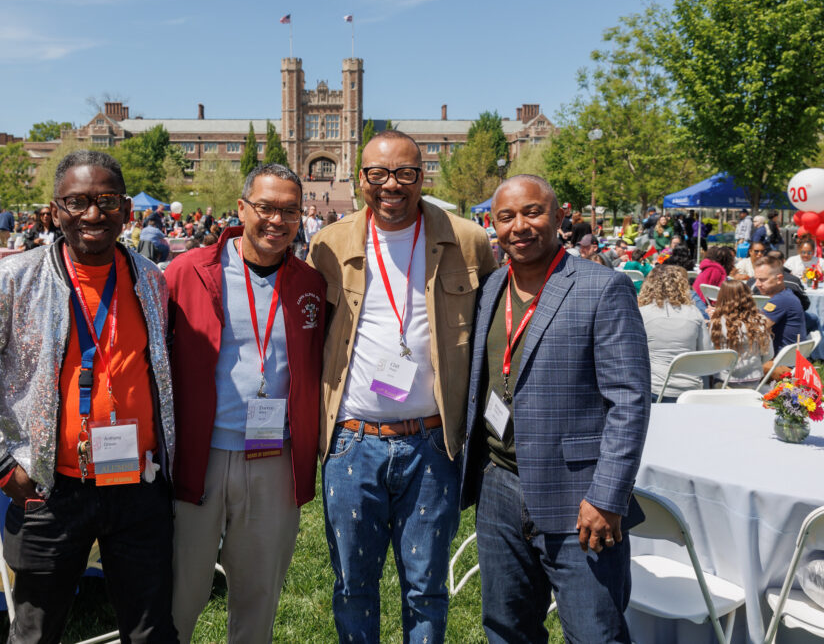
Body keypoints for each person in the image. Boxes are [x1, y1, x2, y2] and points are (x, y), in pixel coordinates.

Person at [0, 150, 178, 642]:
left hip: (138, 485)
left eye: (107, 201)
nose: (93, 214)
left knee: (151, 630)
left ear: (127, 210)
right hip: (50, 489)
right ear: (54, 212)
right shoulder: (12, 280)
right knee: (35, 633)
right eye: (78, 202)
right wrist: (1, 465)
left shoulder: (150, 280)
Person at [307, 130, 497, 642]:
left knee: (427, 589)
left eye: (405, 173)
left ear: (422, 176)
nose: (391, 184)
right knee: (352, 587)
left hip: (433, 444)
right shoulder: (328, 244)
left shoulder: (467, 241)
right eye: (378, 174)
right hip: (352, 443)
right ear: (360, 177)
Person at [462, 174, 649, 643]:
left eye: (533, 212)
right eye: (506, 217)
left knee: (594, 633)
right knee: (507, 628)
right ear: (493, 225)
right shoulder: (489, 289)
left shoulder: (602, 289)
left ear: (560, 217)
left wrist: (607, 498)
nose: (520, 226)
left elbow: (629, 401)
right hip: (500, 489)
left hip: (579, 499)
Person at [166, 164, 325, 643]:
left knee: (258, 595)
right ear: (242, 209)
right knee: (181, 592)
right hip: (200, 457)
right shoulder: (188, 271)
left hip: (273, 457)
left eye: (290, 211)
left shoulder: (311, 284)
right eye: (266, 208)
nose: (277, 220)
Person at [639, 264, 711, 401]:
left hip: (653, 389)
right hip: (690, 391)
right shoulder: (694, 313)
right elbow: (705, 353)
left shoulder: (643, 314)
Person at [709, 280, 776, 388]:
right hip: (753, 379)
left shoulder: (717, 323)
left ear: (721, 297)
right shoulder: (759, 321)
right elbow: (768, 354)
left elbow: (710, 353)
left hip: (724, 380)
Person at [755, 255, 807, 354]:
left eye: (762, 279)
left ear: (779, 279)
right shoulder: (785, 294)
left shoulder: (781, 300)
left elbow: (755, 329)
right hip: (788, 358)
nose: (757, 284)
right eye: (756, 279)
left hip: (783, 363)